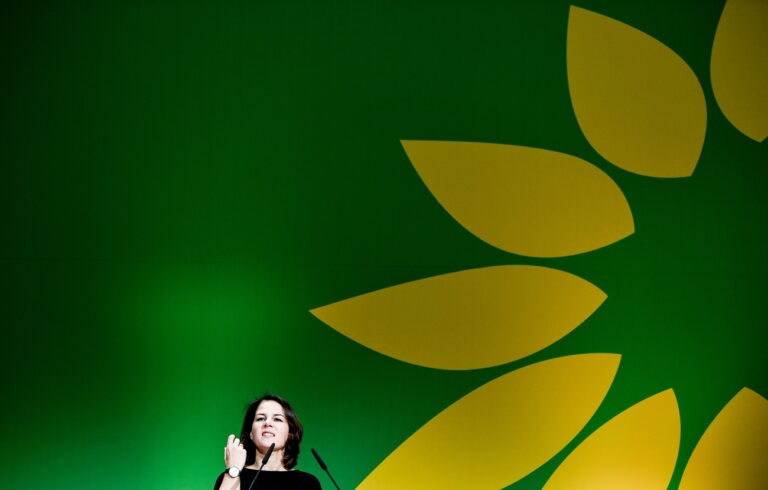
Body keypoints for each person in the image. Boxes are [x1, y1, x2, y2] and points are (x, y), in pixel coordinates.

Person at [214, 394, 322, 490]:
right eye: (260, 418)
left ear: (290, 434)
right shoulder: (232, 476)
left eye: (277, 419)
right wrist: (233, 470)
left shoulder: (307, 483)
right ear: (251, 433)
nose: (268, 423)